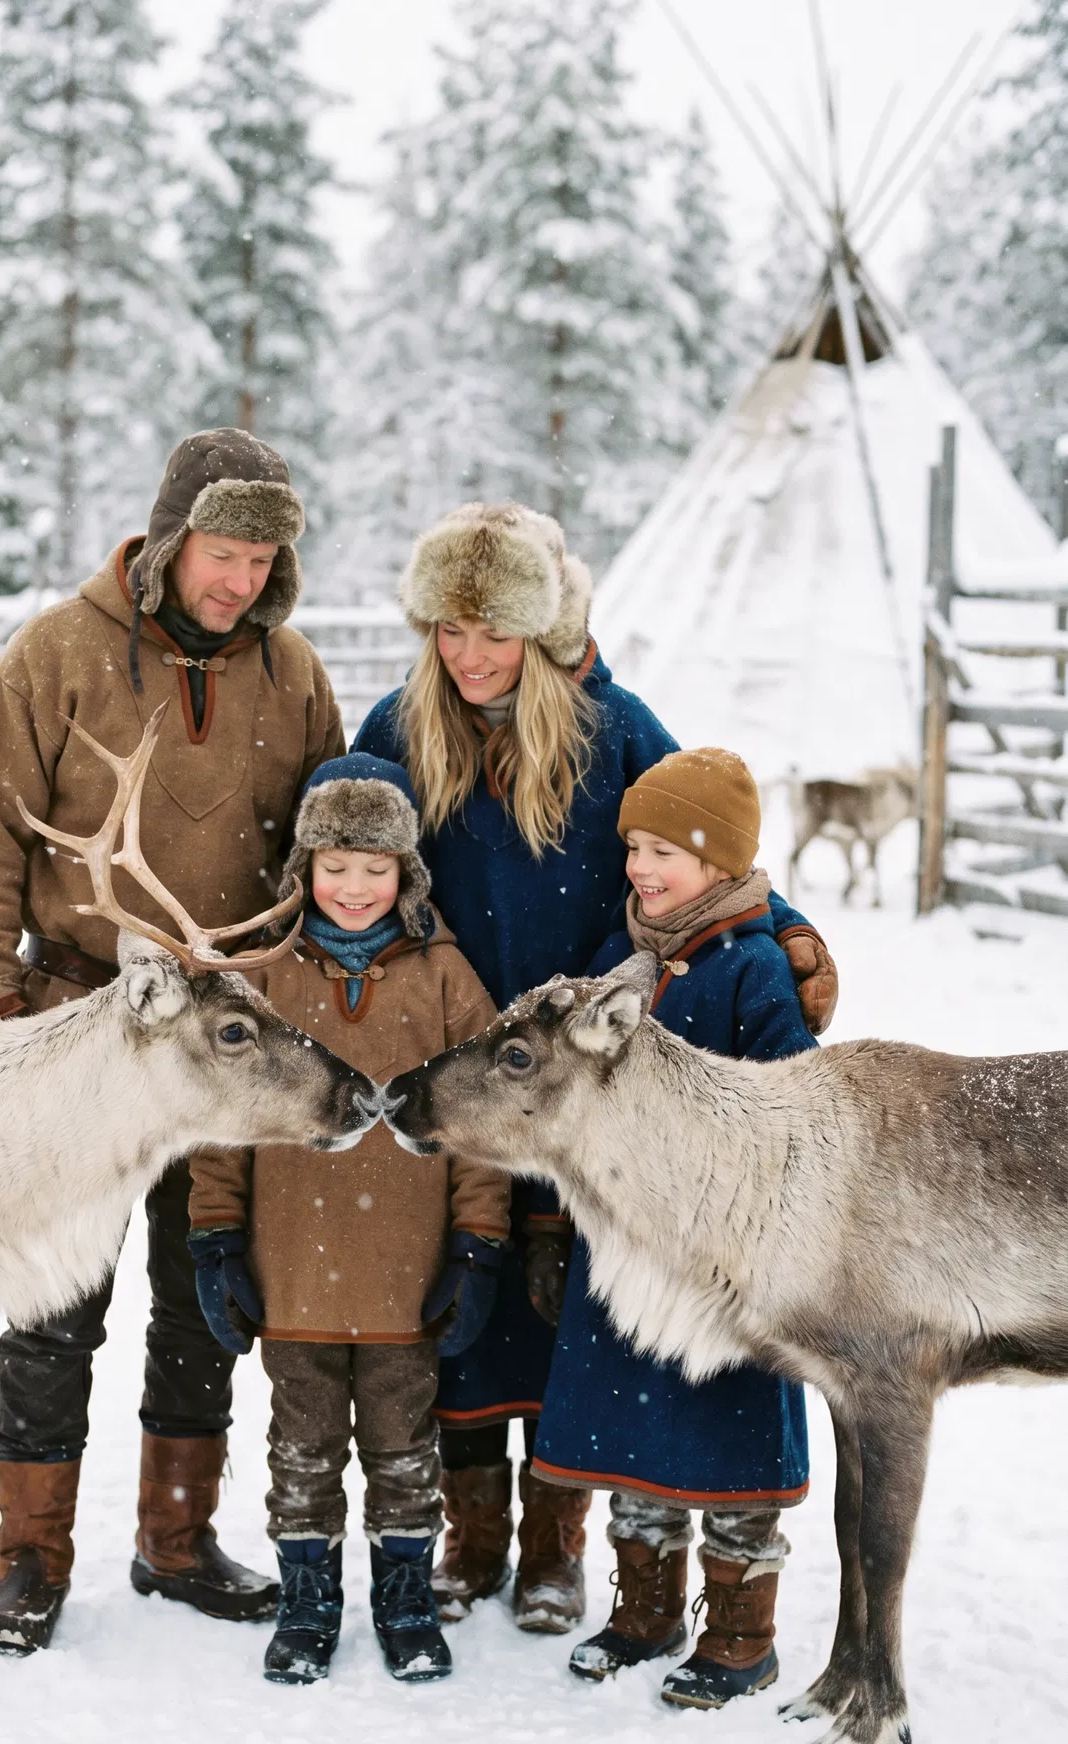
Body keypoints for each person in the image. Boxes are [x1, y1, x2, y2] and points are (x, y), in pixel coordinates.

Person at [353, 502, 837, 1635]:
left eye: (494, 634)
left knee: (570, 1307)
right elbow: (343, 839)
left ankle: (554, 1546)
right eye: (450, 632)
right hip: (457, 1067)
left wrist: (791, 931)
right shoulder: (398, 724)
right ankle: (473, 1536)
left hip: (586, 1078)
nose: (470, 657)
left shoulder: (609, 725)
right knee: (465, 1308)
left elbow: (704, 846)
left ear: (539, 631)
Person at [0, 428, 344, 1653]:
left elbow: (330, 840)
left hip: (227, 1040)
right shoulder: (57, 655)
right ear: (173, 540)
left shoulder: (292, 673)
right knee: (55, 1299)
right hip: (78, 1023)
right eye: (224, 554)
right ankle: (30, 1554)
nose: (241, 580)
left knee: (202, 1292)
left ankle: (176, 1537)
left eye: (263, 557)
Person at [187, 754, 512, 1685]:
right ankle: (307, 1595)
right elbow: (223, 1125)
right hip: (290, 1268)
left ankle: (405, 1595)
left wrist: (478, 1246)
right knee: (301, 1442)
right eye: (336, 865)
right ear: (303, 870)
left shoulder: (448, 979)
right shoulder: (264, 980)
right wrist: (216, 1240)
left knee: (407, 1444)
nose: (356, 887)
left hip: (409, 1275)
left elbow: (483, 1124)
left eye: (377, 868)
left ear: (408, 873)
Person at [532, 747, 813, 1708]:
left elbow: (793, 1103)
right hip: (631, 1253)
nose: (645, 869)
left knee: (733, 1438)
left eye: (671, 852)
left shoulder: (754, 969)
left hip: (727, 1262)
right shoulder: (628, 964)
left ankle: (741, 1631)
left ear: (723, 864)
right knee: (634, 1430)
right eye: (638, 848)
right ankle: (645, 1608)